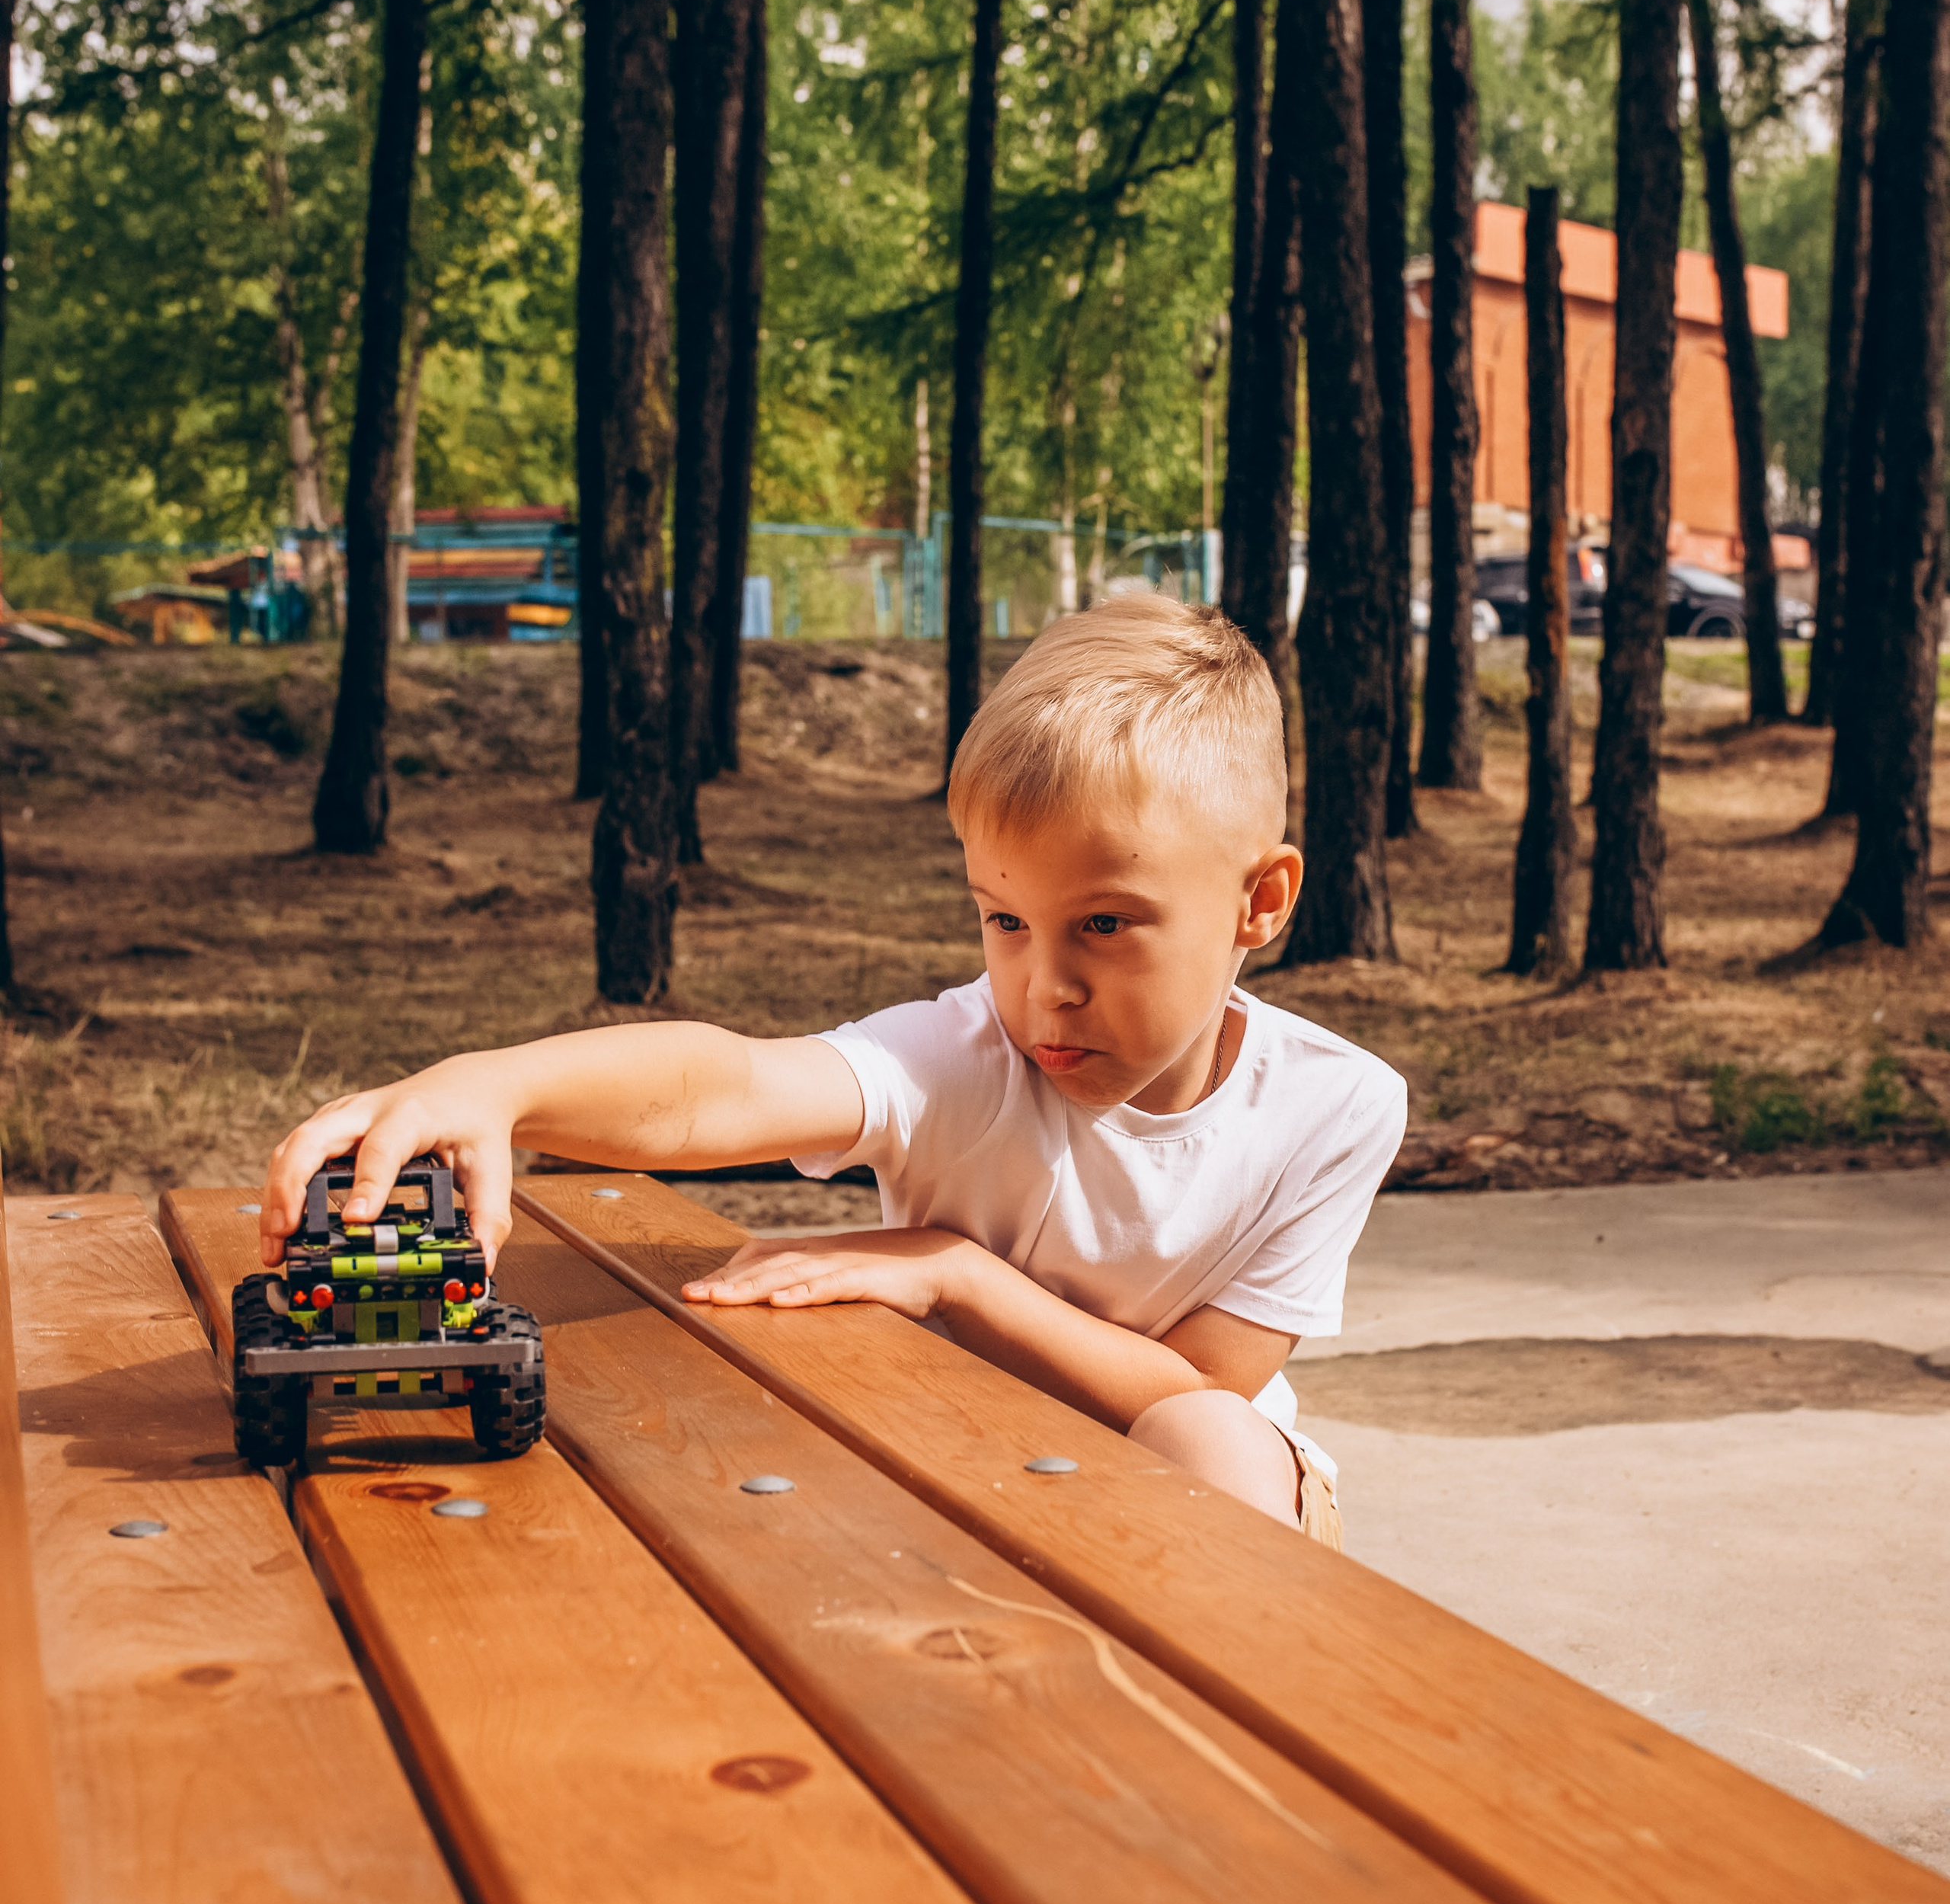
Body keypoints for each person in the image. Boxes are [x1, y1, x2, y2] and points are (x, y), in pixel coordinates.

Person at [258, 594, 1405, 1532]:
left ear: (1261, 901)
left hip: (1205, 1513)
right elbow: (732, 1087)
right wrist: (498, 1086)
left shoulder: (1336, 1105)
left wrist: (956, 1271)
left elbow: (1198, 1392)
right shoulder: (965, 1055)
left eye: (1104, 925)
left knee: (1212, 1440)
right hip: (947, 1467)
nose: (1043, 986)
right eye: (1004, 922)